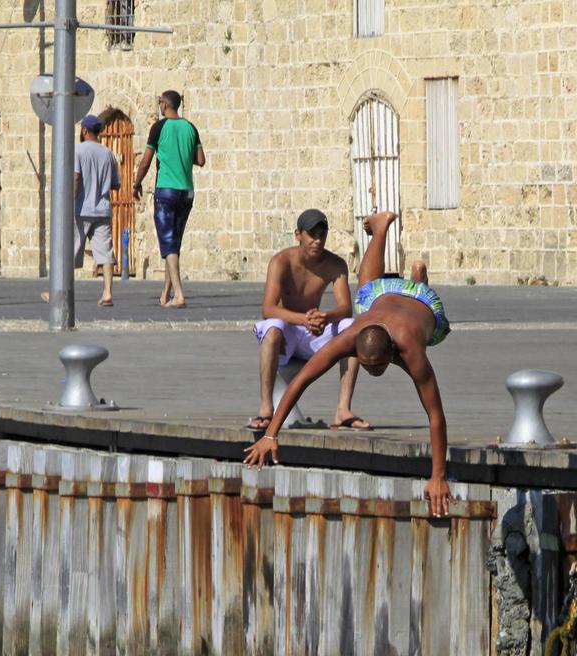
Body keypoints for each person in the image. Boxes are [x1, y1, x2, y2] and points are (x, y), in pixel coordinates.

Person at [244, 211, 452, 518]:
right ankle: (381, 231)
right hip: (382, 299)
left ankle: (417, 277)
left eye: (378, 367)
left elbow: (436, 415)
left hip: (424, 303)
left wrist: (438, 476)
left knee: (376, 290)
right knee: (366, 289)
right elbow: (301, 381)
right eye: (366, 366)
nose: (373, 371)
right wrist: (271, 435)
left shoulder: (412, 351)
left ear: (392, 352)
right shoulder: (352, 336)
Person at [250, 208, 369, 432]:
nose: (317, 240)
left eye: (322, 235)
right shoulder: (281, 261)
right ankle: (266, 408)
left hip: (314, 332)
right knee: (273, 327)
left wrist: (326, 317)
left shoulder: (335, 264)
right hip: (289, 333)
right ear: (298, 234)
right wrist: (303, 319)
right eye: (311, 235)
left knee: (353, 327)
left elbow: (345, 308)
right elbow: (268, 308)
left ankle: (343, 410)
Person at [132, 90, 206, 308]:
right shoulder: (190, 128)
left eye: (159, 102)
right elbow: (200, 160)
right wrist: (183, 154)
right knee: (173, 242)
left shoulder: (159, 127)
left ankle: (180, 295)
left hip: (166, 190)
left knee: (168, 242)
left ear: (165, 104)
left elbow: (145, 162)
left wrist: (136, 183)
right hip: (187, 191)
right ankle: (166, 293)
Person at [74, 114, 121, 307]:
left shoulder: (77, 151)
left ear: (84, 130)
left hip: (81, 209)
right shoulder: (108, 153)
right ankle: (108, 292)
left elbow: (76, 178)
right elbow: (116, 185)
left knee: (68, 251)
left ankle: (59, 292)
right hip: (102, 210)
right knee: (105, 252)